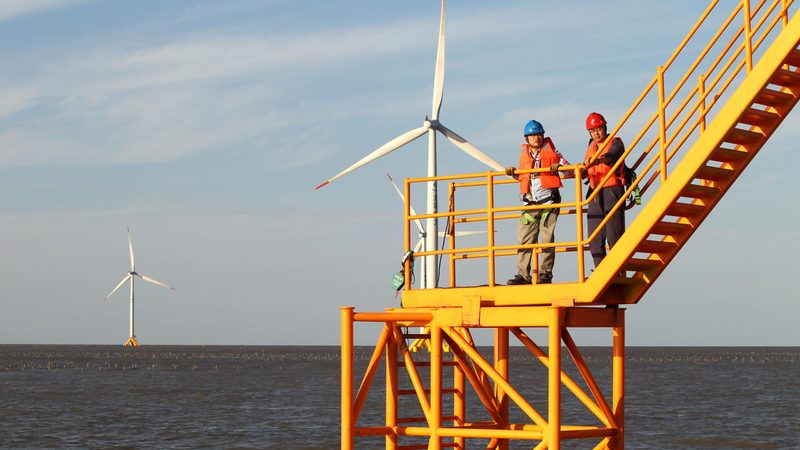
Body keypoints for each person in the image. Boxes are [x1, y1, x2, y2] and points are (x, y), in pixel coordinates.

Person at [504, 119, 570, 285]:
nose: (536, 138)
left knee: (547, 240)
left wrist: (560, 168)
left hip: (549, 202)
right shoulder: (525, 156)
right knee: (525, 240)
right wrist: (513, 174)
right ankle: (523, 275)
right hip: (530, 204)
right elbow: (524, 178)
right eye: (532, 135)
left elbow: (572, 171)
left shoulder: (554, 154)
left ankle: (545, 274)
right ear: (527, 138)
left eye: (539, 134)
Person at [583, 112, 626, 268]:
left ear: (604, 127)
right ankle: (601, 270)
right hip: (595, 193)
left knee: (614, 235)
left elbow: (612, 157)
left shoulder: (616, 142)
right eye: (592, 131)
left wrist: (596, 161)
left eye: (598, 129)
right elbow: (587, 168)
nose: (596, 133)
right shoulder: (590, 146)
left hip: (612, 191)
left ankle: (618, 271)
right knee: (594, 238)